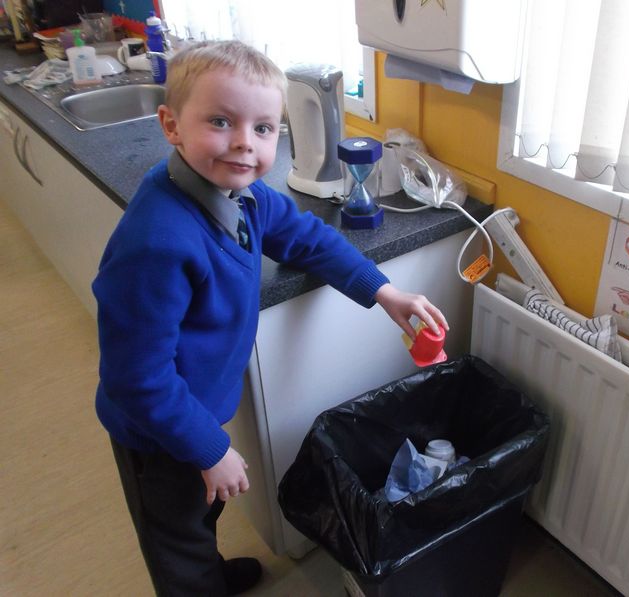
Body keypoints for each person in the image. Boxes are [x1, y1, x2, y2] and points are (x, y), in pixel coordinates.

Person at [92, 40, 449, 596]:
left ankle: (206, 573)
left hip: (197, 406)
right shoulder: (157, 242)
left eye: (263, 128)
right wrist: (208, 448)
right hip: (155, 432)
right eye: (220, 121)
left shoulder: (246, 194)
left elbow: (306, 238)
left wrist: (384, 292)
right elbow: (136, 379)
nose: (244, 144)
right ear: (171, 125)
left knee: (202, 512)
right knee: (176, 538)